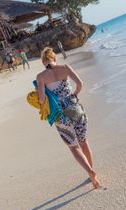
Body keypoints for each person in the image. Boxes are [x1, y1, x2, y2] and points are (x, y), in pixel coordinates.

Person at [36, 47, 101, 189]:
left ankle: (90, 171)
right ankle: (91, 169)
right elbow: (80, 84)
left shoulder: (40, 77)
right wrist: (74, 95)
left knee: (73, 146)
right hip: (74, 107)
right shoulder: (65, 68)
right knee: (83, 141)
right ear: (54, 58)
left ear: (43, 62)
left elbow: (41, 100)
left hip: (60, 114)